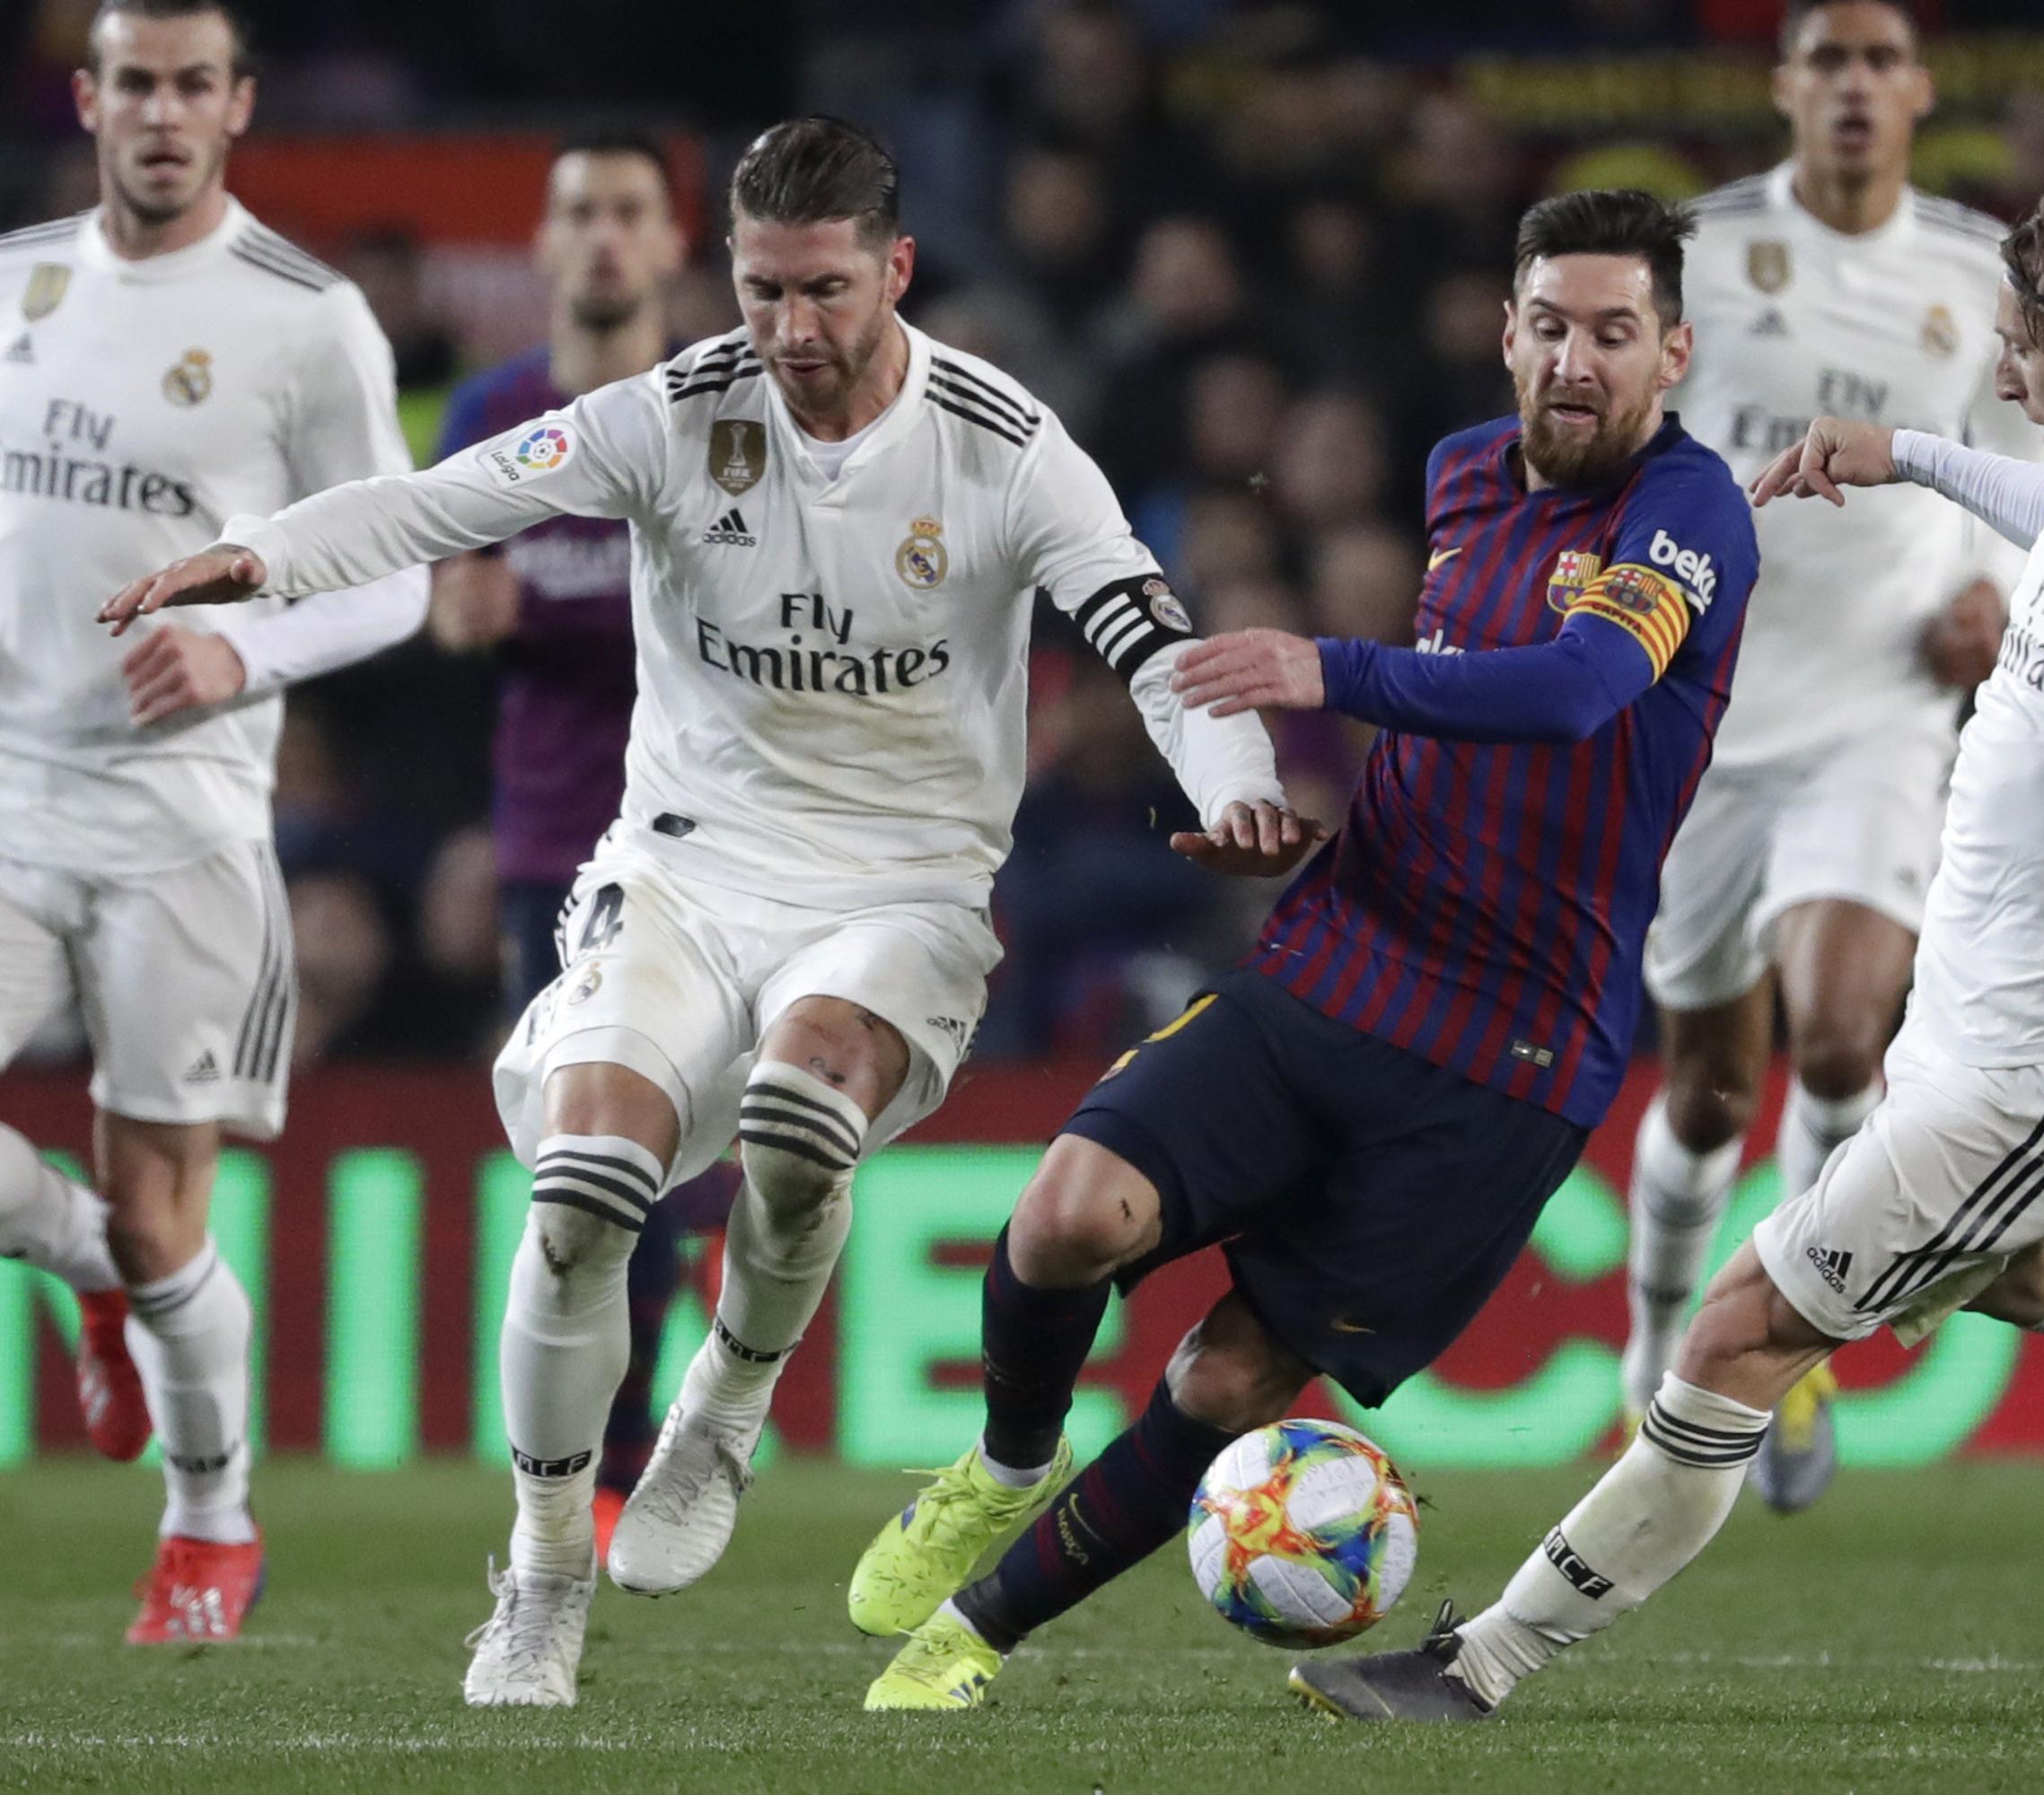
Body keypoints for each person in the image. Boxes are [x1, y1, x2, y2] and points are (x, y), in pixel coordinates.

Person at [101, 117, 1311, 1709]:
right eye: (758, 294)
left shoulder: (1003, 443)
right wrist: (254, 555)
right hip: (682, 865)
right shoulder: (673, 417)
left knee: (804, 1117)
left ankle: (726, 1406)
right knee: (584, 1186)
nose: (792, 335)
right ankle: (537, 1573)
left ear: (896, 268)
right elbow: (440, 504)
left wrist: (1229, 778)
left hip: (901, 884)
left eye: (823, 293)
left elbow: (1148, 633)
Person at [1293, 138, 2044, 1726]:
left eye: (2023, 351)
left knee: (1747, 1326)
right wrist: (1909, 455)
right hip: (1974, 1018)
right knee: (2032, 1268)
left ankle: (1478, 1664)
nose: (2002, 369)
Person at [847, 188, 1759, 1716]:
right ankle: (1008, 1459)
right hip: (1342, 956)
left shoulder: (1691, 514)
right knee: (1070, 1214)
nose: (1575, 361)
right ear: (1510, 335)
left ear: (1671, 352)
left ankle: (974, 1636)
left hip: (1509, 1055)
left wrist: (1318, 666)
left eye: (1614, 332)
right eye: (1548, 326)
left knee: (1228, 1377)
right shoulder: (1462, 477)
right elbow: (1464, 725)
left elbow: (1576, 690)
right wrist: (1299, 826)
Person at [0, 0, 426, 1643]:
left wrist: (241, 639)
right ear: (91, 98)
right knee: (114, 1234)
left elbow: (396, 577)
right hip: (17, 799)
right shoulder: (22, 281)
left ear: (238, 105)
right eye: (135, 84)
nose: (163, 113)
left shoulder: (306, 323)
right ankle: (85, 1272)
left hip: (184, 826)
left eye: (194, 85)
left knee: (163, 1212)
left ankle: (209, 1527)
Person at [1627, 0, 2043, 1510]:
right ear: (1786, 89)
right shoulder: (1699, 253)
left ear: (1922, 90)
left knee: (1849, 1039)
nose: (1857, 87)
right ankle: (1661, 1329)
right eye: (1830, 61)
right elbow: (1605, 429)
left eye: (1881, 61)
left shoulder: (1982, 273)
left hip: (1881, 706)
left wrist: (1998, 596)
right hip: (1709, 713)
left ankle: (1775, 1350)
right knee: (1706, 1097)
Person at [427, 130, 735, 1556]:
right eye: (579, 215)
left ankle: (620, 1464)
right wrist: (481, 616)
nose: (604, 238)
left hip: (718, 837)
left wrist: (538, 617)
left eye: (628, 212)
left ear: (672, 245)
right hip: (555, 843)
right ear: (546, 246)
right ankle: (602, 1457)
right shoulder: (494, 413)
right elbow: (453, 608)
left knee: (658, 1174)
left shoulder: (721, 410)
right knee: (586, 1165)